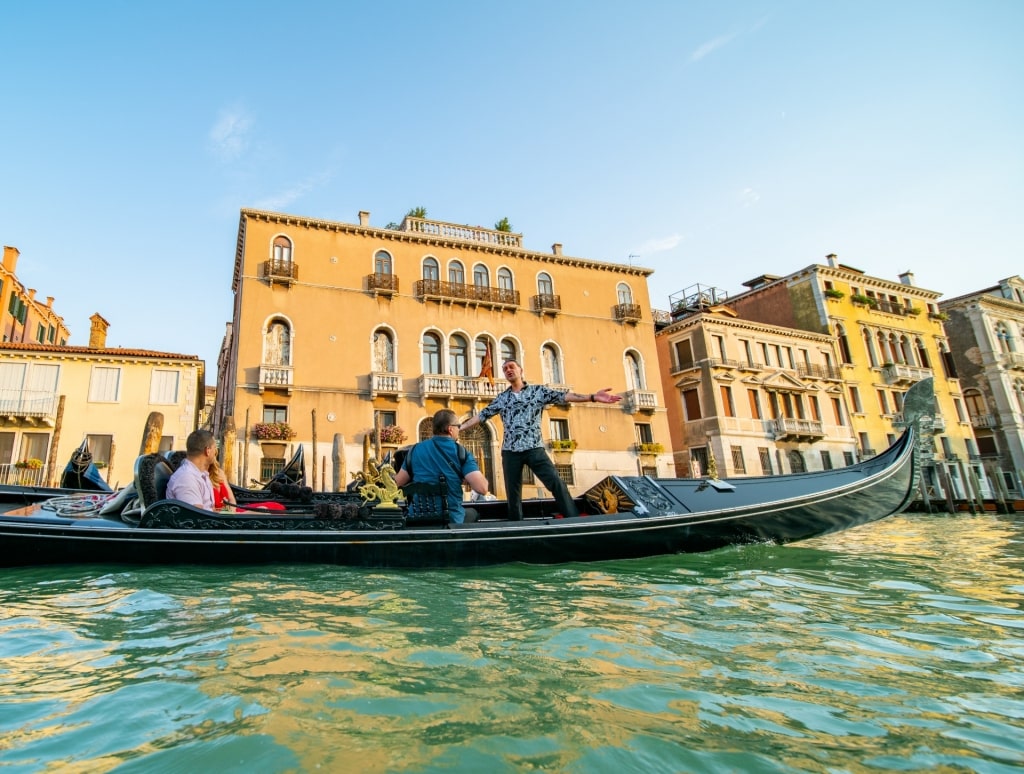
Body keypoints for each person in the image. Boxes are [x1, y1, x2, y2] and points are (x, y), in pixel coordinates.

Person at [459, 358, 621, 520]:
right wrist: (458, 429)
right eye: (505, 369)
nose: (508, 370)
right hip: (510, 452)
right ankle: (517, 526)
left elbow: (565, 396)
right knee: (513, 494)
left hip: (534, 449)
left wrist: (592, 397)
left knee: (556, 484)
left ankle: (573, 519)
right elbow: (482, 416)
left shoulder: (538, 392)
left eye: (511, 367)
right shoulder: (502, 398)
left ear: (520, 370)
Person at [394, 409, 489, 524]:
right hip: (450, 519)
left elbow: (397, 483)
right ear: (450, 429)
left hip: (417, 518)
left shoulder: (414, 450)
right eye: (458, 426)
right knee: (473, 513)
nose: (459, 429)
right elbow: (482, 488)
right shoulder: (460, 452)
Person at [166, 429, 217, 510]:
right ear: (208, 450)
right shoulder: (186, 478)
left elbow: (211, 509)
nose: (216, 452)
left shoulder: (201, 474)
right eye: (215, 448)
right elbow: (197, 518)